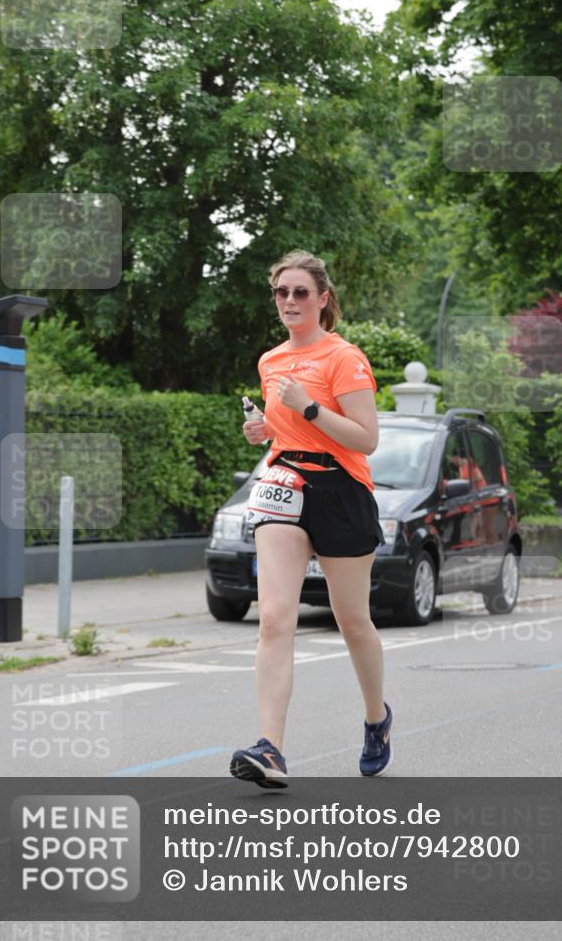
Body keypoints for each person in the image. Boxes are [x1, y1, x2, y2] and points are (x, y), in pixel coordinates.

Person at [230, 250, 391, 789]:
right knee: (275, 618)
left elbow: (366, 437)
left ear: (323, 299)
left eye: (301, 292)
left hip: (341, 490)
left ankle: (376, 718)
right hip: (283, 486)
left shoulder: (344, 358)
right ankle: (270, 749)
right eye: (282, 293)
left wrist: (310, 409)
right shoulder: (270, 360)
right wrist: (264, 430)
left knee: (353, 622)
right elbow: (286, 430)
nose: (290, 302)